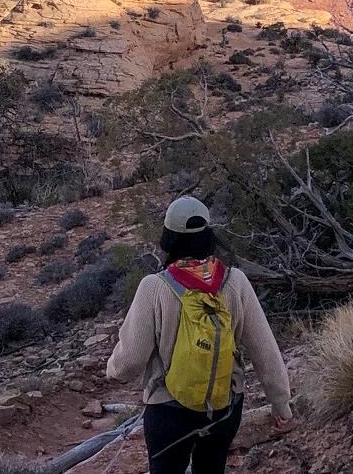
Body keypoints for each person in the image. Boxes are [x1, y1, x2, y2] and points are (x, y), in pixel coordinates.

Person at [106, 196, 292, 474]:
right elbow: (264, 350)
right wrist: (281, 403)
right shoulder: (235, 281)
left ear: (168, 237)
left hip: (169, 410)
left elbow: (129, 362)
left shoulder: (154, 287)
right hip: (225, 407)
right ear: (208, 236)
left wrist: (112, 370)